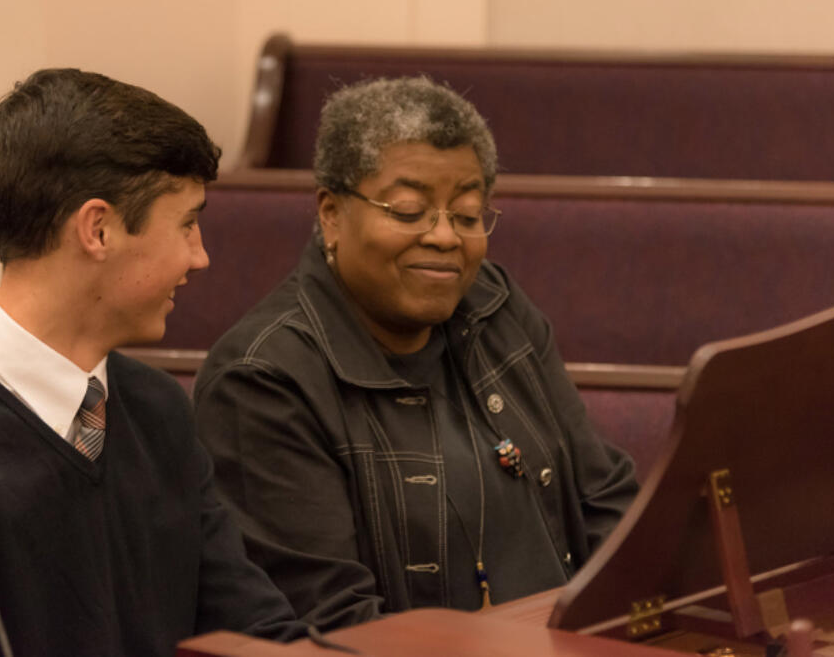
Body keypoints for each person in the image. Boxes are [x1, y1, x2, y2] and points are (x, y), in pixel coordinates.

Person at [0, 68, 305, 657]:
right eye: (188, 223)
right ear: (97, 229)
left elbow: (256, 628)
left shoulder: (157, 410)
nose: (199, 257)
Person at [193, 75, 639, 630]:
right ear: (331, 214)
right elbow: (336, 623)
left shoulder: (493, 306)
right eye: (408, 211)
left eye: (469, 215)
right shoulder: (263, 380)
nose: (445, 237)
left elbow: (606, 498)